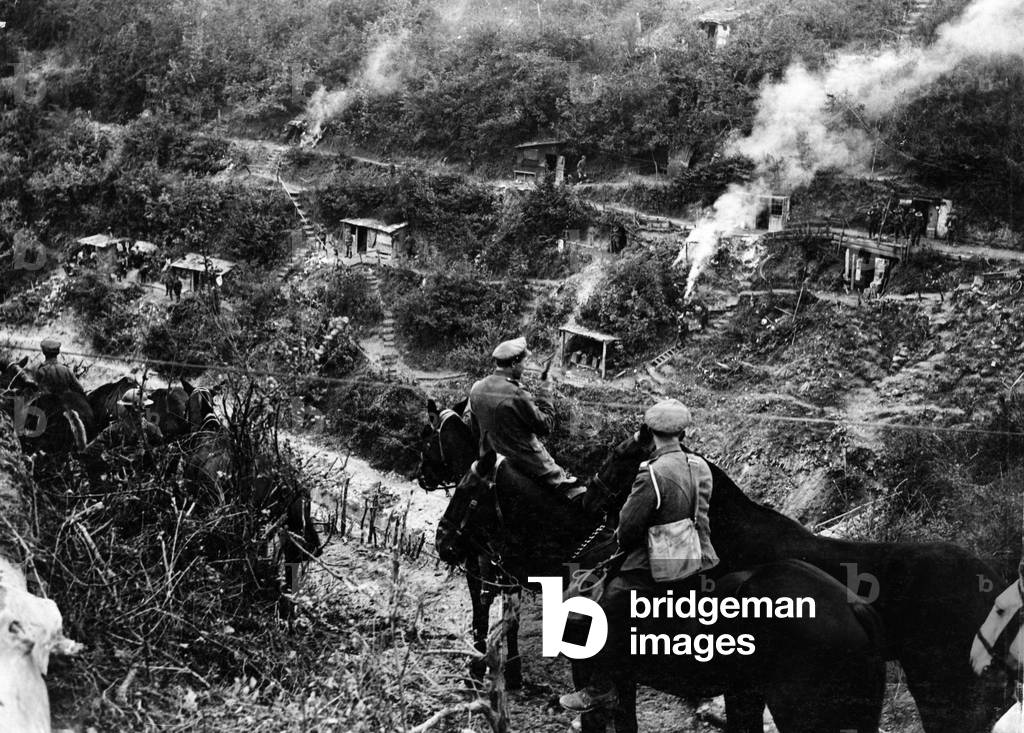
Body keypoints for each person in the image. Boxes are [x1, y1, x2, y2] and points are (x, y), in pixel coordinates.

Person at [560, 399, 717, 712]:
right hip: (699, 557)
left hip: (660, 565)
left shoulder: (651, 473)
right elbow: (700, 514)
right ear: (682, 433)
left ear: (652, 433)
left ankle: (600, 686)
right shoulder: (699, 467)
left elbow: (628, 530)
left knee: (598, 607)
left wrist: (625, 534)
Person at [464, 337, 582, 497]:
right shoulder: (516, 393)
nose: (525, 368)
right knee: (574, 495)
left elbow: (475, 429)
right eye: (524, 363)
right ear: (513, 364)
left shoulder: (476, 388)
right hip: (528, 465)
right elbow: (546, 425)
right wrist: (546, 389)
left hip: (491, 465)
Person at [82, 388, 163, 478]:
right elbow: (162, 451)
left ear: (127, 407)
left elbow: (90, 450)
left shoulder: (115, 429)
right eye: (144, 406)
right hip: (147, 478)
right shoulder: (153, 429)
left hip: (126, 478)